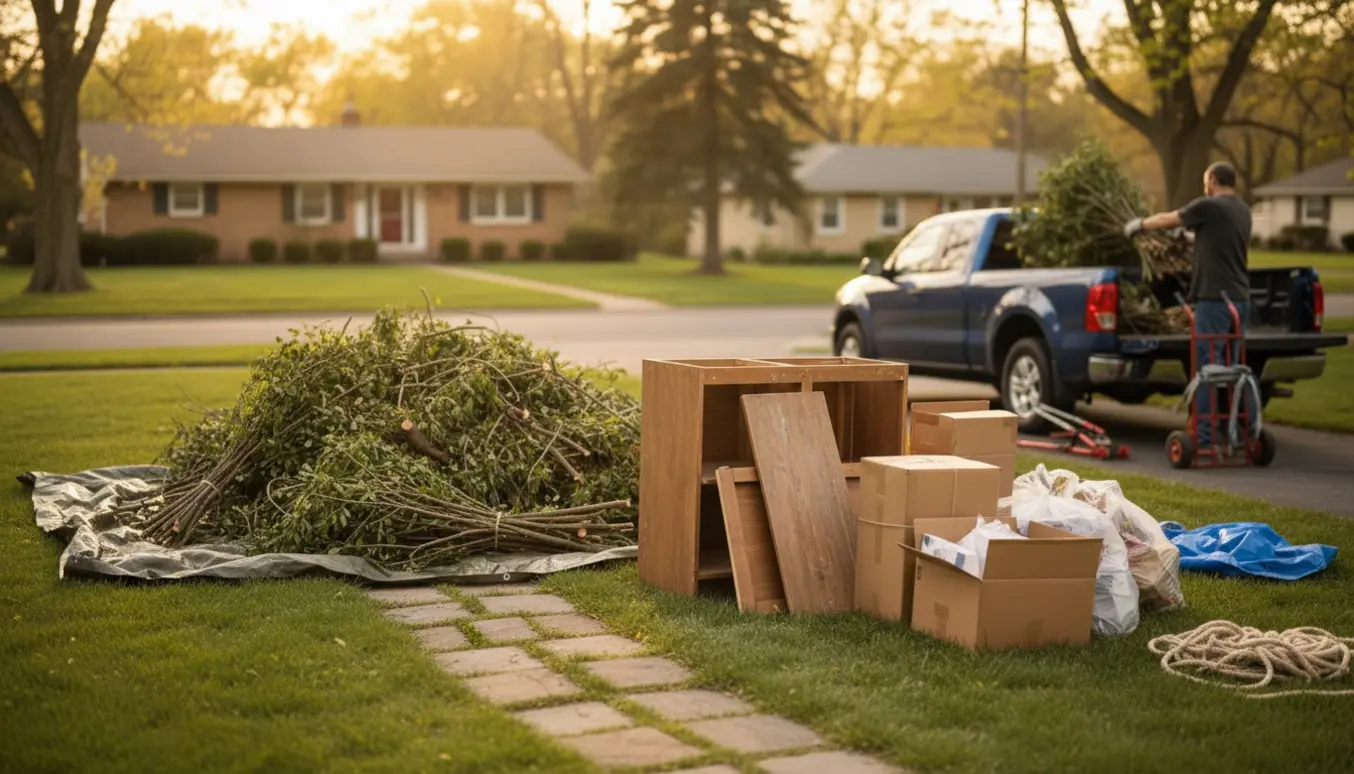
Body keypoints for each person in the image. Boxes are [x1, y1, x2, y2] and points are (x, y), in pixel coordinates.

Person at [1124, 161, 1254, 451]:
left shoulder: (1209, 206)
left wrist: (1140, 225)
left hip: (1214, 301)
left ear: (1213, 181)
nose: (1204, 187)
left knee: (1206, 371)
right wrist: (1187, 238)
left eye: (1205, 182)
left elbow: (1169, 218)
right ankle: (1244, 432)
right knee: (1234, 370)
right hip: (1239, 299)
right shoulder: (1242, 210)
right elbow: (1216, 237)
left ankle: (1205, 438)